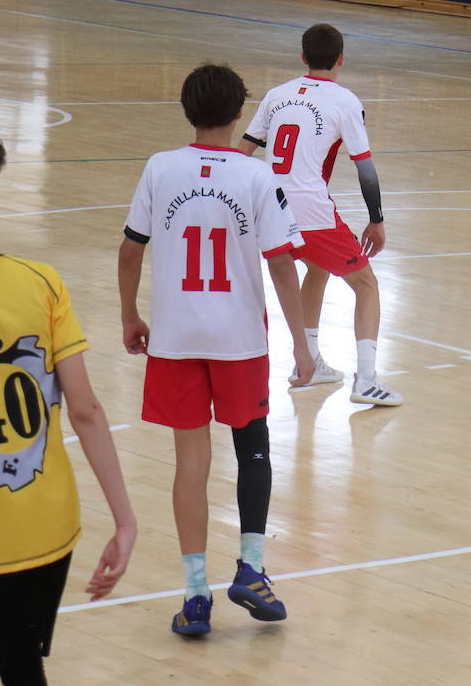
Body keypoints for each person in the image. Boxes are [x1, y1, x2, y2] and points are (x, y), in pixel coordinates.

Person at [0, 125, 136, 683]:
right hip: (48, 534)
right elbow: (85, 410)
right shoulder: (43, 283)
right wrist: (125, 521)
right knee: (20, 664)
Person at [119, 65, 317, 639]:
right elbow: (281, 263)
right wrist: (302, 344)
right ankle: (251, 570)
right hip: (238, 339)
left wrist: (132, 315)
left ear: (188, 110)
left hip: (176, 339)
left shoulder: (161, 168)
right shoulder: (257, 177)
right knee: (253, 447)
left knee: (190, 464)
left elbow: (131, 250)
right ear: (238, 114)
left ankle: (195, 591)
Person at [238, 24, 403, 407]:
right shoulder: (345, 101)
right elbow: (365, 168)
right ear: (341, 60)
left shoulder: (275, 95)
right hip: (310, 209)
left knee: (318, 267)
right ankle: (367, 379)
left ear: (302, 57)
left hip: (267, 206)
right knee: (366, 284)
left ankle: (309, 363)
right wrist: (376, 220)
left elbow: (241, 152)